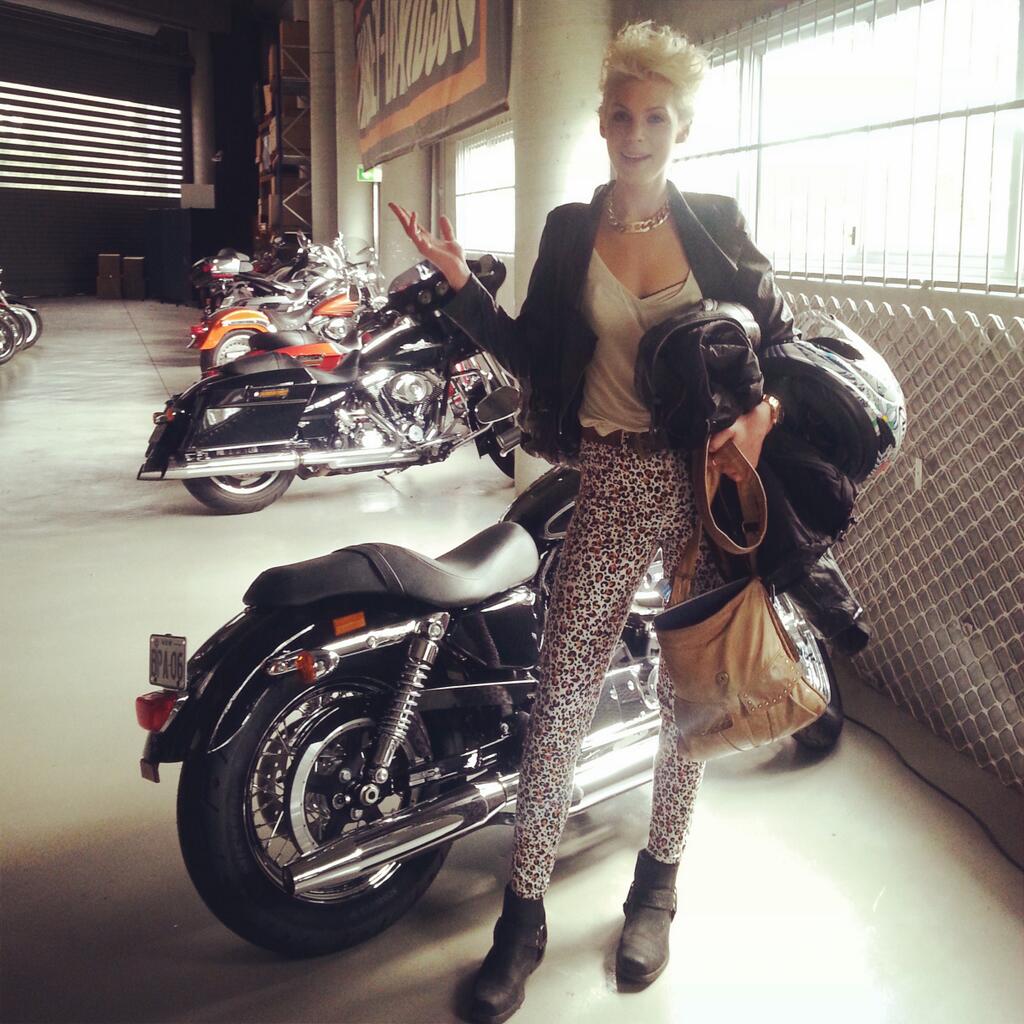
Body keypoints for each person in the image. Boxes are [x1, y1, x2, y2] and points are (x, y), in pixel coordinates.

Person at [391, 20, 794, 1024]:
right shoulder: (572, 229)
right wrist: (460, 286)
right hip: (610, 478)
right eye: (620, 115)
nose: (636, 133)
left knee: (692, 694)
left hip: (704, 485)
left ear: (681, 127)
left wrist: (755, 420)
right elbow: (534, 355)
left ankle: (656, 887)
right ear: (603, 124)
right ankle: (520, 915)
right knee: (562, 695)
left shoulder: (716, 223)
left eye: (655, 117)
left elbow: (778, 348)